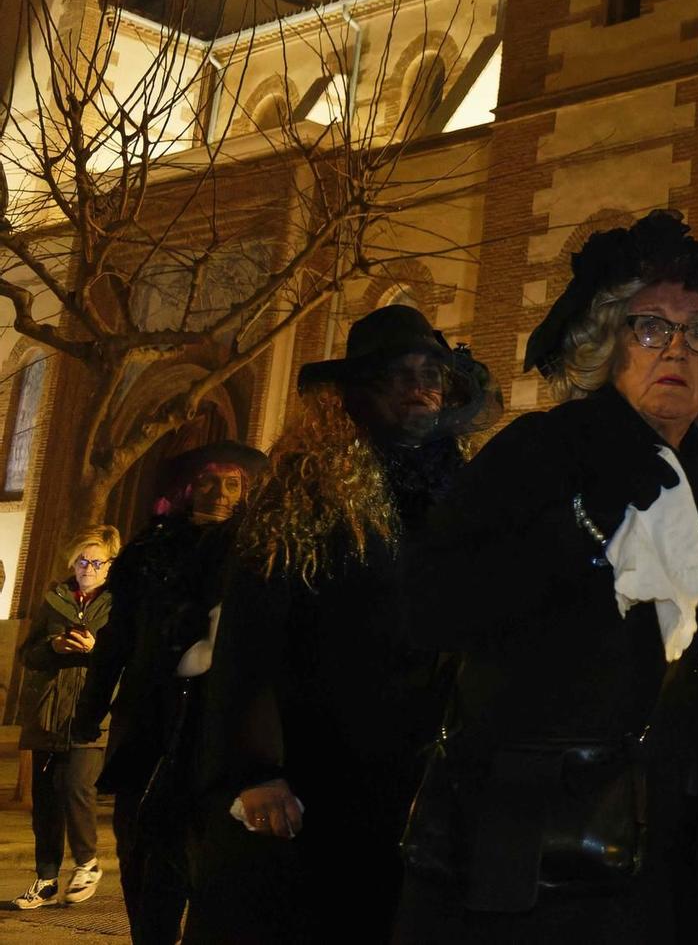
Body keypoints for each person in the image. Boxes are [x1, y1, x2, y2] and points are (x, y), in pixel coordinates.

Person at [393, 210, 698, 942]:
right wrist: (580, 528)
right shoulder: (543, 452)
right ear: (610, 343)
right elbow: (428, 607)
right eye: (651, 326)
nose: (677, 347)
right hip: (533, 861)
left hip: (671, 860)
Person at [184, 306, 496, 943]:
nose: (419, 386)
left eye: (431, 372)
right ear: (354, 394)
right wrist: (255, 769)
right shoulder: (305, 490)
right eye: (397, 374)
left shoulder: (452, 490)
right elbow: (251, 634)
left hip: (414, 779)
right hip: (315, 780)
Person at [74, 441, 266, 943]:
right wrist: (90, 706)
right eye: (208, 481)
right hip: (148, 721)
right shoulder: (148, 551)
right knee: (141, 846)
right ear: (189, 487)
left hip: (216, 725)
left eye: (231, 484)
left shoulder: (258, 551)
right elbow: (118, 636)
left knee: (205, 858)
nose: (219, 493)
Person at [13, 525, 122, 910]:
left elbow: (131, 660)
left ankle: (88, 863)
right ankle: (46, 878)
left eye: (96, 561)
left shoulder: (120, 603)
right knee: (45, 799)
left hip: (91, 714)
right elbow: (27, 654)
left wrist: (97, 649)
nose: (87, 568)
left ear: (110, 566)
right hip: (48, 712)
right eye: (81, 560)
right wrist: (54, 645)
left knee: (77, 787)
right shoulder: (54, 600)